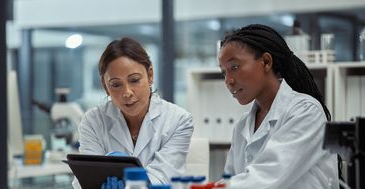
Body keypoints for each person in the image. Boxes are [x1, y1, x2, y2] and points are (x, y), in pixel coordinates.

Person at [218, 24, 339, 188]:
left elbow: (267, 177)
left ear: (266, 62)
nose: (228, 81)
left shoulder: (306, 111)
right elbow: (229, 179)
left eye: (235, 67)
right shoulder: (242, 125)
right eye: (224, 72)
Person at [73, 37, 194, 188]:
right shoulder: (93, 121)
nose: (127, 93)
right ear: (105, 86)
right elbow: (85, 178)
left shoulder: (179, 120)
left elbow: (163, 177)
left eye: (134, 80)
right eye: (116, 84)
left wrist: (131, 183)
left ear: (150, 75)